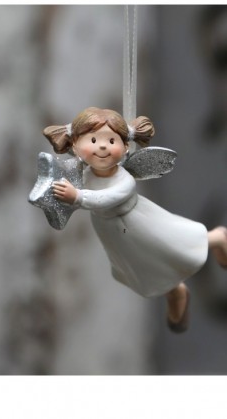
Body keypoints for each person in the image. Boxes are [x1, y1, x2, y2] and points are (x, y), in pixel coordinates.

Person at [44, 106, 227, 332]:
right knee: (142, 266)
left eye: (112, 141)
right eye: (93, 140)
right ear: (75, 145)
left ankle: (216, 238)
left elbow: (107, 198)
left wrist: (78, 197)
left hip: (135, 223)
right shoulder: (85, 173)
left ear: (125, 147)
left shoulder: (124, 180)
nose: (102, 146)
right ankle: (174, 291)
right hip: (112, 231)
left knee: (173, 246)